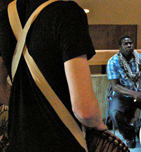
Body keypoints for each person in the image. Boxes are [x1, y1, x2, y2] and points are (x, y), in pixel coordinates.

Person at [0, 0, 106, 151]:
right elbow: (85, 111)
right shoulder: (67, 13)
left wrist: (25, 106)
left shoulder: (5, 17)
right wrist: (100, 126)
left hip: (19, 142)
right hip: (61, 142)